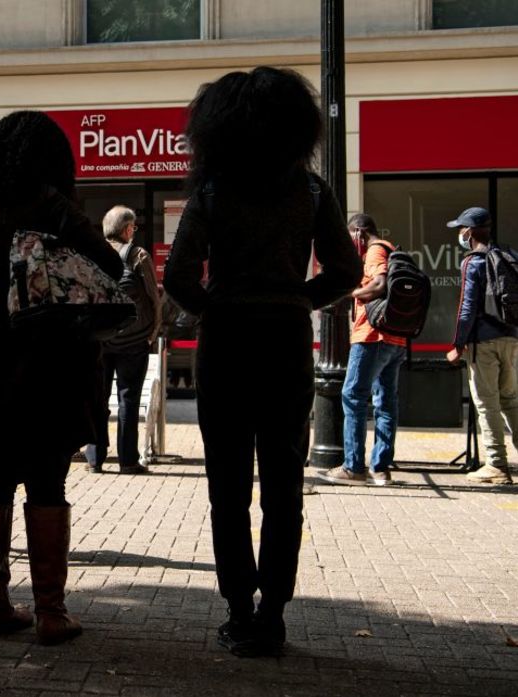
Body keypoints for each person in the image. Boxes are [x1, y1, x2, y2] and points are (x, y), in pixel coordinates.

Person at [164, 67, 361, 657]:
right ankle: (273, 610)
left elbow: (177, 275)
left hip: (226, 343)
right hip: (285, 342)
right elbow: (346, 272)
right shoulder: (310, 192)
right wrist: (301, 299)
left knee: (228, 485)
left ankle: (237, 607)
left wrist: (212, 309)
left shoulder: (212, 193)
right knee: (284, 484)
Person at [0, 110, 124, 646]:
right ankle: (50, 612)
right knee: (47, 485)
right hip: (47, 371)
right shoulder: (53, 208)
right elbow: (109, 270)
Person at [318, 213, 405, 487]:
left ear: (359, 233)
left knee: (352, 394)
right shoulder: (393, 250)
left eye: (350, 237)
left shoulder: (376, 251)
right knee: (385, 401)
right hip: (396, 339)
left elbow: (378, 285)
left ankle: (353, 466)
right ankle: (381, 469)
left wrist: (349, 293)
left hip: (372, 335)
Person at [84, 205, 162, 475]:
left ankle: (95, 459)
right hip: (134, 341)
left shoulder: (91, 253)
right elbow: (154, 298)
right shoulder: (138, 255)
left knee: (97, 398)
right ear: (127, 229)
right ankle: (128, 461)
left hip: (99, 341)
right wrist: (151, 333)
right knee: (128, 399)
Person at [446, 207, 518, 485]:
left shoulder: (473, 262)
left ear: (471, 232)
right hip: (510, 338)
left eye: (461, 229)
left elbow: (467, 308)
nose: (460, 234)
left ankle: (497, 465)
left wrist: (457, 344)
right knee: (510, 401)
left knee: (486, 404)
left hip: (483, 343)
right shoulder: (507, 255)